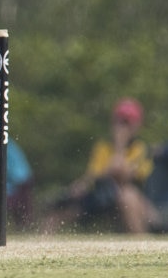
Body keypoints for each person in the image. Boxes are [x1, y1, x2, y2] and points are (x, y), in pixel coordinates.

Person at [43, 98, 154, 234]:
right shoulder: (102, 147)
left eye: (126, 123)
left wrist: (119, 146)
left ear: (136, 126)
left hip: (131, 199)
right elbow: (93, 176)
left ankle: (140, 242)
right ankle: (41, 243)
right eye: (118, 122)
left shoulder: (141, 149)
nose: (120, 128)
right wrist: (76, 189)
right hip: (102, 195)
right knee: (57, 212)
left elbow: (124, 175)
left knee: (127, 197)